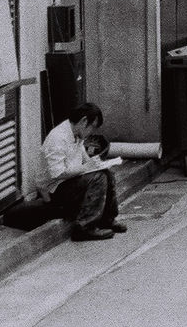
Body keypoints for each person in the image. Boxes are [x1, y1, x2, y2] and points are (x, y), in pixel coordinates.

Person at [40, 103, 125, 241]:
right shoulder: (58, 137)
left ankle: (107, 219)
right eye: (92, 127)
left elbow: (85, 158)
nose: (92, 132)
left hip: (70, 181)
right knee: (98, 178)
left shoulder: (76, 134)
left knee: (107, 174)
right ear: (84, 121)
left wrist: (98, 164)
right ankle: (85, 227)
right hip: (55, 189)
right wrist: (87, 168)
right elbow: (58, 173)